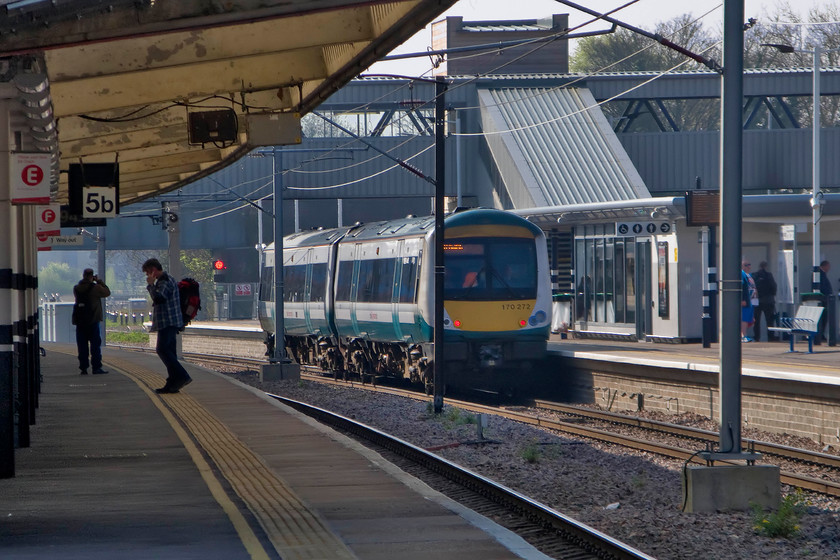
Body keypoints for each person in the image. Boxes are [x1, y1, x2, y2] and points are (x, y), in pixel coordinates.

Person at [142, 258, 192, 394]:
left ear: (153, 270)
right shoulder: (167, 279)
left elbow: (159, 298)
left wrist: (151, 286)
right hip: (171, 322)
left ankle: (182, 376)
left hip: (168, 322)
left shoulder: (164, 281)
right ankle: (173, 383)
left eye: (147, 273)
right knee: (170, 352)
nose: (147, 276)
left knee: (162, 350)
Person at [73, 268, 110, 375]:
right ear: (91, 276)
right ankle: (96, 367)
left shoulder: (76, 288)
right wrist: (99, 281)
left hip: (80, 321)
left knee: (82, 346)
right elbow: (107, 292)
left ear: (83, 275)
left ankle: (83, 368)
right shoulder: (96, 288)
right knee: (95, 346)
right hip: (93, 320)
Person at [752, 261, 777, 342]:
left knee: (756, 321)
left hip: (757, 301)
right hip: (768, 300)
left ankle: (756, 337)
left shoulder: (754, 275)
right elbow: (773, 286)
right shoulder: (769, 275)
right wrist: (772, 295)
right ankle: (771, 337)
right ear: (766, 266)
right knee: (769, 320)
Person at [740, 261, 757, 342]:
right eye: (746, 265)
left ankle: (744, 334)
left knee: (750, 319)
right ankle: (743, 335)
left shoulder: (749, 275)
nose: (749, 267)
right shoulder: (741, 274)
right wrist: (742, 299)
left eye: (749, 265)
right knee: (744, 318)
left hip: (751, 300)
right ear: (742, 266)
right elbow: (741, 287)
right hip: (746, 301)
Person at [817, 260, 833, 344]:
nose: (829, 268)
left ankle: (822, 334)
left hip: (825, 299)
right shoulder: (819, 274)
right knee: (823, 317)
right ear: (824, 266)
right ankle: (820, 334)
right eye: (828, 266)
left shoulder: (822, 274)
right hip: (823, 300)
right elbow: (822, 287)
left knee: (824, 318)